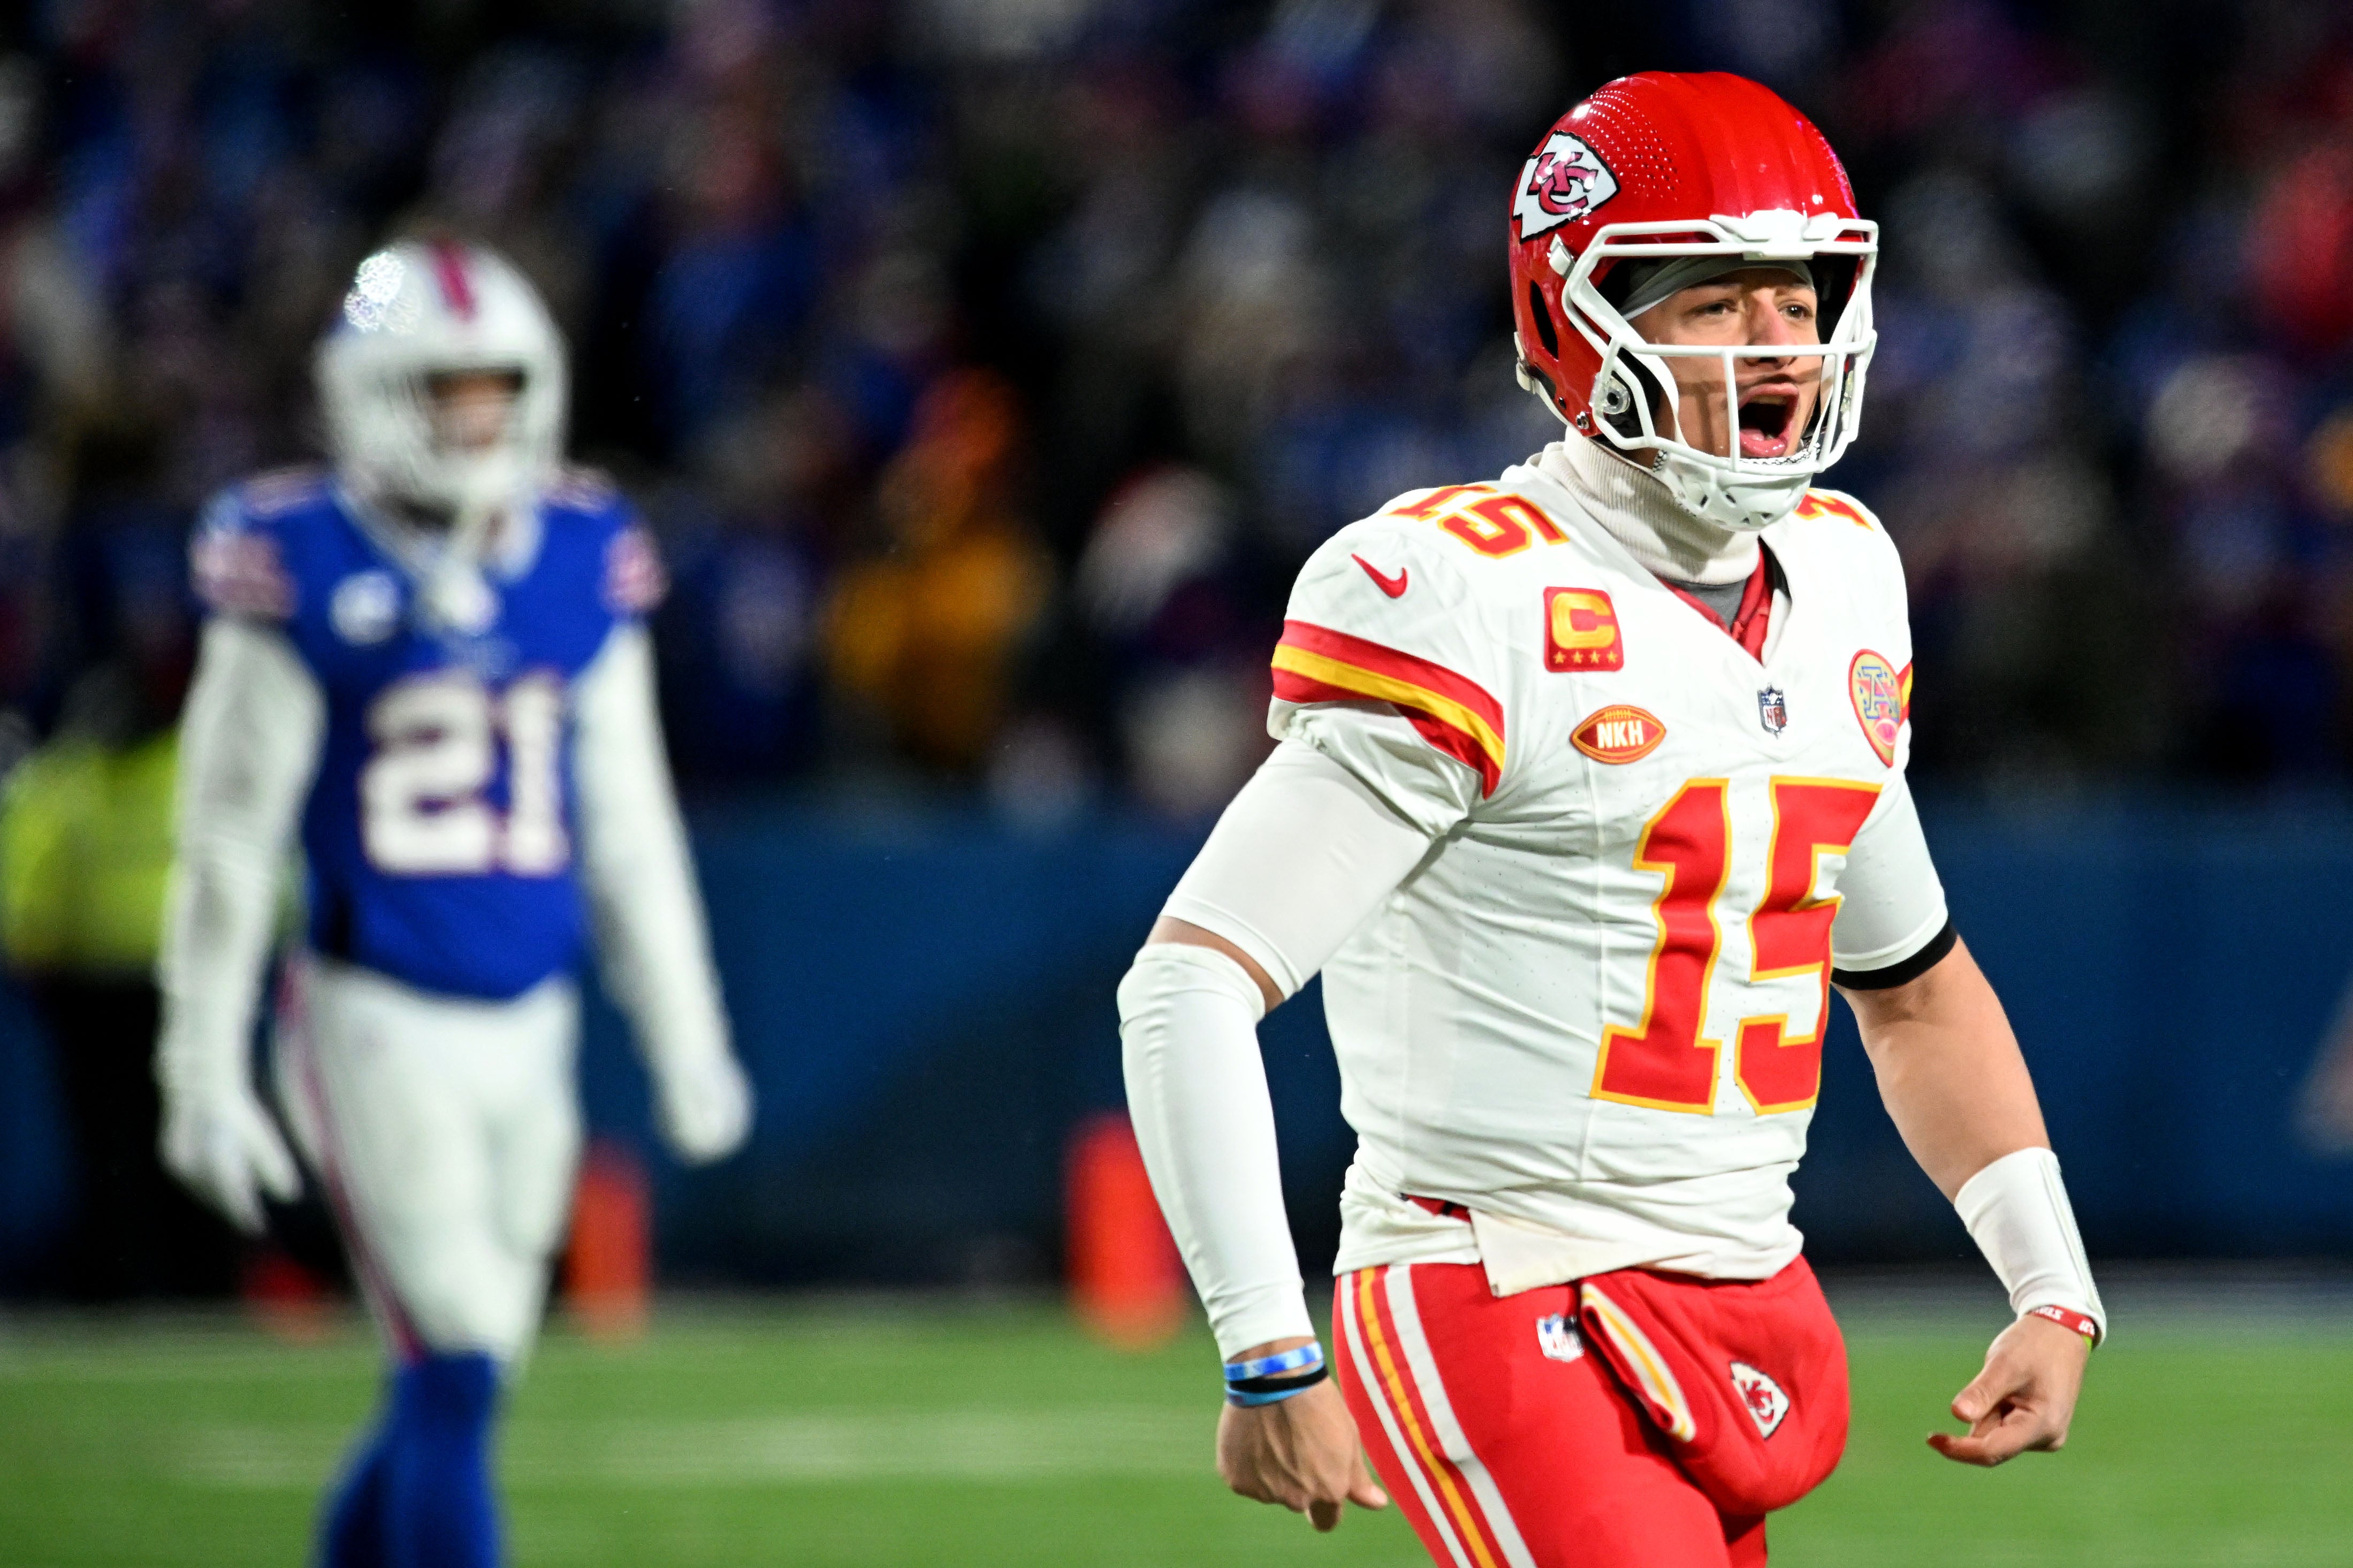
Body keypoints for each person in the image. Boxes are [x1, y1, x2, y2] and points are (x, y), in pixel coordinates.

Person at [1117, 71, 2104, 1567]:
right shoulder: (1463, 590)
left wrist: (2049, 1282)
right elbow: (1187, 980)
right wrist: (1265, 1344)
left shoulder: (1840, 570)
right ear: (1577, 320)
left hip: (1738, 1291)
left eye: (1797, 296)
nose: (1774, 344)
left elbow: (1908, 987)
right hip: (1495, 1280)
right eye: (1713, 301)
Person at [154, 237, 754, 1568]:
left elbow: (631, 821)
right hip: (372, 1011)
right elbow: (230, 838)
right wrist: (199, 1064)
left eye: (495, 387)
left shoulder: (582, 544)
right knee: (459, 1359)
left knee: (460, 1370)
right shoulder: (294, 550)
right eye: (445, 389)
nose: (477, 417)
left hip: (529, 1018)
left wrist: (685, 1031)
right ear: (371, 393)